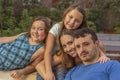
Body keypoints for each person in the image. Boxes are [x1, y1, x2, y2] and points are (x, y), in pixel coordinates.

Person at [43, 3, 107, 80]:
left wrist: (103, 55)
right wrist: (48, 71)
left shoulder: (81, 31)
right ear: (65, 15)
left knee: (99, 45)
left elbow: (95, 44)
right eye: (70, 17)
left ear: (81, 23)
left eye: (77, 21)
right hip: (59, 54)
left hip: (71, 55)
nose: (72, 22)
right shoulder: (56, 28)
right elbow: (48, 52)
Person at [36, 28, 110, 80]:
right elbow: (39, 65)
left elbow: (97, 45)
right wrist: (48, 76)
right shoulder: (64, 56)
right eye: (64, 46)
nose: (68, 49)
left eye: (70, 43)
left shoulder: (91, 52)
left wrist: (103, 56)